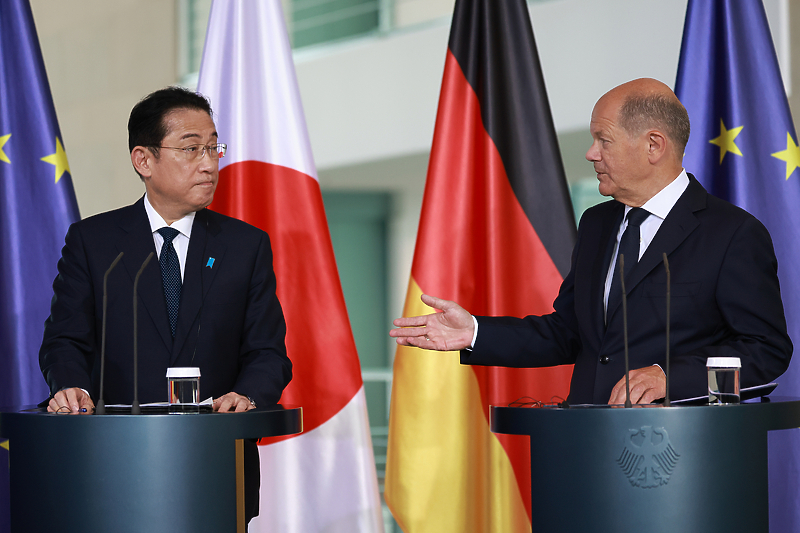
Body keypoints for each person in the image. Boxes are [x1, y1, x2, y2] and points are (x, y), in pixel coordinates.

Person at [390, 78, 792, 406]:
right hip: (587, 449)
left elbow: (765, 349)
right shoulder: (597, 223)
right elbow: (569, 333)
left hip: (679, 462)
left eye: (604, 139)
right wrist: (475, 332)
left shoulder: (733, 233)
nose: (590, 153)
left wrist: (671, 377)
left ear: (653, 145)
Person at [39, 86, 292, 523]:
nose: (210, 163)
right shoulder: (95, 243)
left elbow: (267, 352)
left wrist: (247, 393)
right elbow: (65, 340)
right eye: (191, 148)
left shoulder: (244, 245)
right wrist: (70, 387)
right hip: (111, 467)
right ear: (144, 160)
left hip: (215, 468)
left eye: (214, 148)